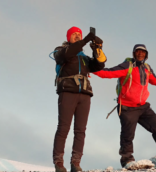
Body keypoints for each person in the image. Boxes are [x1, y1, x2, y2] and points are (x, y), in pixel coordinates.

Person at [93, 44, 156, 168]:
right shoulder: (127, 66)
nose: (140, 54)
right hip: (127, 107)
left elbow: (155, 80)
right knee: (128, 135)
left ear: (146, 55)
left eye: (143, 52)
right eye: (138, 52)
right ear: (133, 53)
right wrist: (91, 69)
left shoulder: (147, 68)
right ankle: (127, 159)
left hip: (143, 106)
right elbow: (108, 73)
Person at [52, 26, 107, 172]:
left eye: (79, 34)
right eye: (74, 34)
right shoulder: (60, 50)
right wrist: (85, 40)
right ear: (68, 37)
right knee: (63, 128)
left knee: (80, 130)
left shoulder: (84, 58)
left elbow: (100, 64)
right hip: (67, 91)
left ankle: (75, 163)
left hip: (85, 94)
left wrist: (97, 49)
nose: (77, 36)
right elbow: (66, 54)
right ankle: (59, 163)